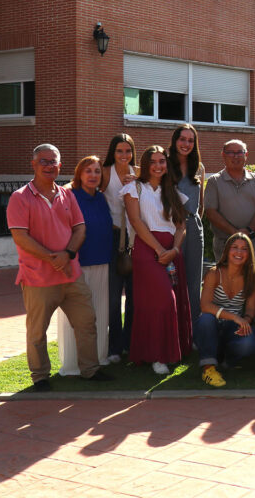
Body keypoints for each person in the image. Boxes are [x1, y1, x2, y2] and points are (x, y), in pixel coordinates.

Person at [8, 144, 112, 391]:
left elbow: (80, 229)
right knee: (37, 331)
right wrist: (52, 258)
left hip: (71, 274)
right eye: (43, 161)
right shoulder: (19, 197)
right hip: (38, 278)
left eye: (53, 162)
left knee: (87, 321)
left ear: (60, 166)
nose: (49, 166)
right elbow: (20, 236)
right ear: (33, 164)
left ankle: (90, 369)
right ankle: (40, 376)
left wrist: (67, 254)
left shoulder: (68, 196)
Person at [121, 145, 192, 375]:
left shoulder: (173, 191)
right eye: (153, 161)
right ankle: (157, 356)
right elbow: (136, 222)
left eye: (162, 161)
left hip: (171, 251)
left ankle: (172, 351)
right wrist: (160, 249)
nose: (158, 165)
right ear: (145, 163)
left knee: (174, 299)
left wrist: (174, 250)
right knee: (162, 300)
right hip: (146, 250)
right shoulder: (134, 188)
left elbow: (181, 226)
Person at [59, 156, 114, 375]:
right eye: (88, 171)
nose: (93, 176)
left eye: (97, 171)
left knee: (100, 313)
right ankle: (73, 363)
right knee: (77, 315)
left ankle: (98, 357)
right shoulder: (69, 196)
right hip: (77, 265)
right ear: (79, 174)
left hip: (102, 262)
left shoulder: (101, 198)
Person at [194, 233, 255, 387]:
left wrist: (246, 322)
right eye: (235, 247)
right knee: (205, 319)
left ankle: (228, 361)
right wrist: (235, 317)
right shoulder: (214, 273)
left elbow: (250, 309)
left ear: (249, 254)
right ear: (227, 251)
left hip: (232, 327)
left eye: (244, 249)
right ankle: (208, 369)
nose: (239, 252)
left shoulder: (252, 277)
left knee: (249, 344)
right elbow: (205, 306)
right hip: (212, 326)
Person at [99, 133, 136, 364]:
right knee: (113, 296)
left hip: (136, 239)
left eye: (128, 150)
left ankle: (130, 344)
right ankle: (113, 347)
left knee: (134, 296)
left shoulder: (139, 171)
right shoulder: (105, 172)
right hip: (113, 237)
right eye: (119, 151)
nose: (124, 155)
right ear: (113, 152)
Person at [204, 140, 255, 261]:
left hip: (254, 243)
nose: (235, 156)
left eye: (240, 152)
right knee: (227, 279)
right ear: (223, 155)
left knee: (254, 279)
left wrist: (248, 230)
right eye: (230, 153)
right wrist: (236, 233)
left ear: (246, 155)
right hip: (225, 243)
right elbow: (211, 212)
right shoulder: (214, 181)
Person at [167, 124, 206, 324]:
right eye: (182, 139)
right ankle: (173, 330)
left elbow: (201, 205)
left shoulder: (198, 167)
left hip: (192, 228)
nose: (186, 144)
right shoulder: (163, 164)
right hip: (169, 228)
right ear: (175, 141)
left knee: (193, 281)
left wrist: (192, 223)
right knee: (171, 279)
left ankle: (193, 330)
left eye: (191, 140)